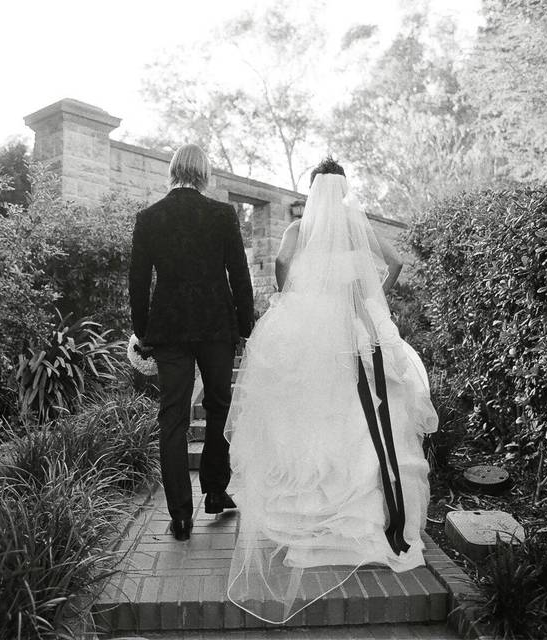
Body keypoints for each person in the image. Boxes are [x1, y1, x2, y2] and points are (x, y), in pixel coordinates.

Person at [224, 158, 438, 623]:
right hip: (358, 330)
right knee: (360, 419)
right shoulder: (356, 225)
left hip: (308, 332)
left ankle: (312, 517)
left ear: (313, 188)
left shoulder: (301, 229)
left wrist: (294, 296)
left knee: (310, 416)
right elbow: (397, 261)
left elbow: (282, 263)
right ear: (344, 189)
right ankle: (365, 519)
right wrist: (373, 297)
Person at [128, 144, 255, 541]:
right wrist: (245, 325)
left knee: (173, 418)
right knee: (218, 407)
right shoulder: (221, 215)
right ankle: (215, 491)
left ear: (173, 171)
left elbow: (137, 282)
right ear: (204, 174)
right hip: (216, 326)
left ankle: (180, 515)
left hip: (170, 330)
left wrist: (143, 331)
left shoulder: (149, 217)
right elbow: (239, 273)